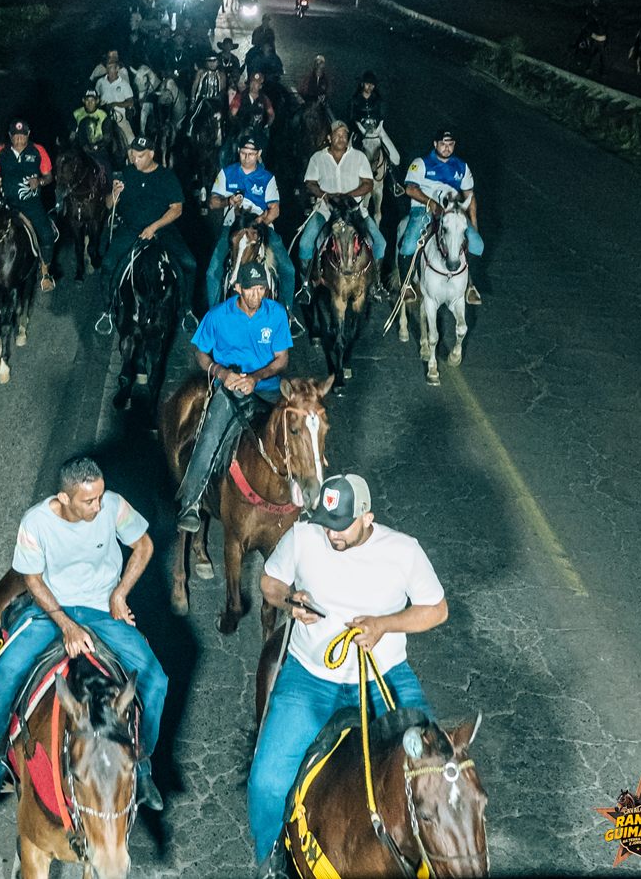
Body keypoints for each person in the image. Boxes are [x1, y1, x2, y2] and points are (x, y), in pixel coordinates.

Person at [248, 473, 448, 869]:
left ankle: (433, 862)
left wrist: (384, 625)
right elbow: (269, 582)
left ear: (367, 517)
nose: (331, 534)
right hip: (310, 679)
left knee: (434, 770)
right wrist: (290, 600)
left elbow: (436, 609)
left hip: (383, 676)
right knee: (267, 782)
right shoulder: (303, 537)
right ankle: (271, 862)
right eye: (326, 524)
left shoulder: (403, 551)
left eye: (341, 526)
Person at [0, 455, 167, 820]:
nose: (98, 506)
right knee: (4, 677)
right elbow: (32, 579)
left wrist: (120, 594)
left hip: (101, 610)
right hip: (50, 610)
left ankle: (141, 760)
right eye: (89, 500)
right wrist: (65, 624)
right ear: (64, 498)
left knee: (156, 680)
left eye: (100, 496)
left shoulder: (112, 505)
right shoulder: (36, 522)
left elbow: (144, 546)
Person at [175, 261, 293, 533]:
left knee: (297, 429)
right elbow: (200, 353)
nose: (256, 296)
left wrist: (256, 378)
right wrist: (222, 373)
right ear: (238, 287)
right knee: (210, 436)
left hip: (266, 386)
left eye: (261, 289)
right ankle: (191, 502)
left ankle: (304, 493)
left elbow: (281, 359)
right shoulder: (218, 316)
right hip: (230, 388)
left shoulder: (275, 314)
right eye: (250, 289)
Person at [97, 136, 198, 327]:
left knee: (189, 263)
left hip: (162, 229)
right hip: (131, 229)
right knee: (108, 264)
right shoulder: (126, 173)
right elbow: (109, 205)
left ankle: (186, 309)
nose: (135, 160)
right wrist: (114, 194)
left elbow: (177, 209)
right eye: (133, 155)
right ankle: (108, 310)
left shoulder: (166, 177)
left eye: (140, 156)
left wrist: (154, 227)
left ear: (151, 154)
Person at [205, 133, 300, 327]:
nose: (246, 157)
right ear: (238, 152)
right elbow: (213, 202)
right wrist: (228, 201)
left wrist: (261, 221)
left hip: (259, 226)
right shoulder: (227, 173)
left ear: (259, 154)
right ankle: (214, 317)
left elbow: (275, 210)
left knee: (288, 269)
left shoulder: (267, 178)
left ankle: (286, 314)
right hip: (233, 226)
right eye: (243, 153)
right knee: (212, 271)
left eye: (251, 153)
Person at [399, 127, 484, 304]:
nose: (447, 148)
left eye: (450, 144)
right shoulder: (420, 163)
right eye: (443, 144)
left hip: (453, 211)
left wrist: (474, 223)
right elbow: (410, 189)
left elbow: (469, 195)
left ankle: (470, 285)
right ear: (435, 144)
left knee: (477, 244)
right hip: (424, 209)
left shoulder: (462, 166)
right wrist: (432, 204)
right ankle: (406, 284)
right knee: (408, 244)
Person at [297, 122, 386, 289]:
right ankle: (306, 286)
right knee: (305, 243)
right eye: (337, 135)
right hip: (326, 211)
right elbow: (310, 183)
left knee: (380, 242)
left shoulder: (359, 157)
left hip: (354, 211)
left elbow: (368, 183)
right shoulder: (318, 158)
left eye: (344, 135)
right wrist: (326, 195)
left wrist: (349, 195)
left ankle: (376, 285)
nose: (341, 138)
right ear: (329, 137)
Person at [0, 119, 56, 291]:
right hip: (7, 204)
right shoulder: (1, 152)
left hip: (31, 203)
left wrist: (39, 181)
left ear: (28, 134)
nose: (19, 139)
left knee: (46, 233)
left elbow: (49, 177)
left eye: (22, 136)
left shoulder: (38, 150)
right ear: (10, 136)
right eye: (15, 136)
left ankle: (45, 272)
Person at [96, 57, 136, 143]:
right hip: (102, 117)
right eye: (107, 67)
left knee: (131, 140)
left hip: (119, 118)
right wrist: (100, 105)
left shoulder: (124, 84)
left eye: (111, 67)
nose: (108, 70)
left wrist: (115, 104)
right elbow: (96, 99)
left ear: (117, 68)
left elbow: (130, 102)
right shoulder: (100, 82)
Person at [572, 0, 609, 79]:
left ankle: (591, 68)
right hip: (600, 38)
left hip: (597, 38)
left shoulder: (596, 14)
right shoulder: (600, 14)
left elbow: (591, 24)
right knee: (600, 56)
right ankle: (600, 71)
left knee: (594, 54)